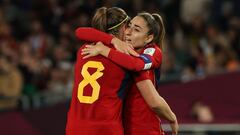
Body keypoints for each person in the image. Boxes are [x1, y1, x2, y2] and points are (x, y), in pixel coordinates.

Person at [76, 12, 178, 135]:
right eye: (129, 26)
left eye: (136, 29)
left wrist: (172, 117)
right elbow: (80, 32)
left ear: (149, 38)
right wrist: (113, 40)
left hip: (145, 130)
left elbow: (154, 102)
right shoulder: (122, 54)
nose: (128, 32)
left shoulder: (149, 53)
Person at [66, 7, 135, 135]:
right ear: (122, 27)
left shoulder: (83, 50)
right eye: (129, 27)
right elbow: (137, 66)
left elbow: (80, 31)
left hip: (75, 127)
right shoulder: (123, 56)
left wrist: (111, 40)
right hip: (105, 128)